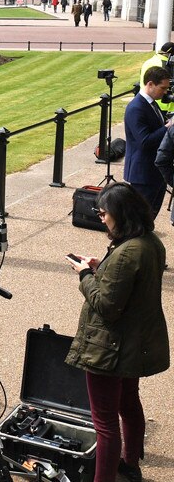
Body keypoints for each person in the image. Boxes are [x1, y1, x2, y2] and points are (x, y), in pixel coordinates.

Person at [65, 182, 169, 482]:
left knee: (105, 424)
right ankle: (130, 464)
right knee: (129, 403)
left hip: (109, 348)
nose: (101, 218)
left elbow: (105, 305)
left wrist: (85, 274)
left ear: (120, 214)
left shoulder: (127, 252)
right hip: (133, 342)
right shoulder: (150, 242)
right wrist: (102, 267)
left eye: (103, 213)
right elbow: (129, 284)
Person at [123, 65, 174, 217]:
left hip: (155, 172)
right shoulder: (136, 107)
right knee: (140, 219)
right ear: (150, 84)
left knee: (150, 217)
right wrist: (168, 126)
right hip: (143, 175)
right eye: (162, 88)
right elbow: (144, 141)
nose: (165, 92)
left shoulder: (152, 103)